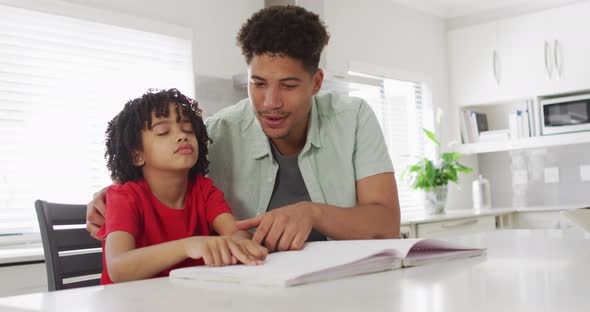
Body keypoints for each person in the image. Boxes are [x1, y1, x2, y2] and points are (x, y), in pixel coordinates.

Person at [87, 5, 401, 252]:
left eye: (288, 85)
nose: (270, 102)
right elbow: (158, 178)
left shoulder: (353, 117)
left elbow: (385, 224)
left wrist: (313, 213)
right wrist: (113, 193)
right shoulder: (218, 131)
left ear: (316, 82)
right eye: (258, 83)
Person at [96, 89, 267, 284]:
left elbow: (233, 231)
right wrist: (188, 246)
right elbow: (119, 268)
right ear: (137, 155)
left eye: (187, 129)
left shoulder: (203, 190)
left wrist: (241, 243)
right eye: (163, 132)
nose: (182, 136)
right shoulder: (124, 197)